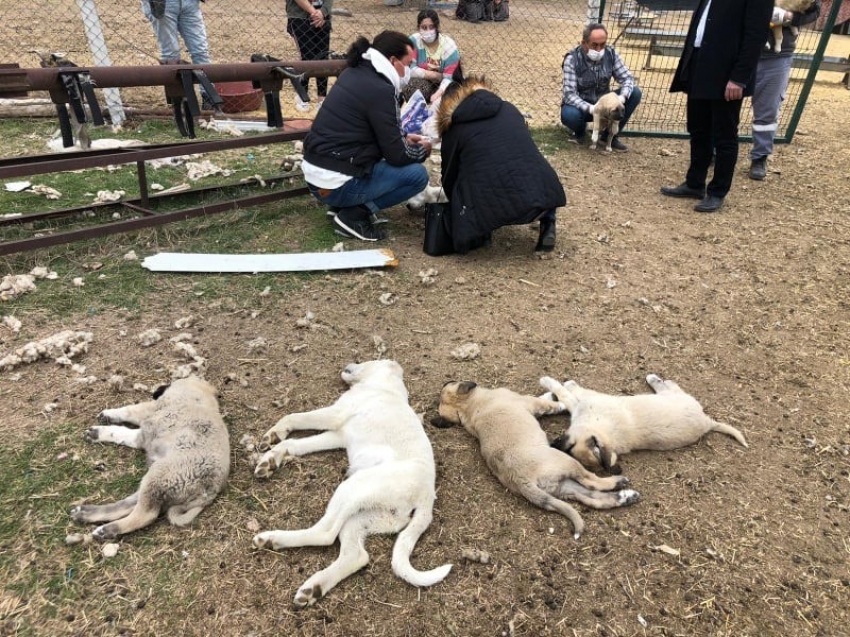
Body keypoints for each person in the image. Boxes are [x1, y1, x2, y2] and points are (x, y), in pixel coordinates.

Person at [301, 31, 432, 242]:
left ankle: (341, 207)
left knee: (387, 161)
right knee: (417, 175)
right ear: (392, 60)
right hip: (334, 184)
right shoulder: (381, 88)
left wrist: (404, 137)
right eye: (407, 64)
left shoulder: (355, 72)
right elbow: (397, 156)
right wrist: (422, 150)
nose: (409, 70)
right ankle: (354, 215)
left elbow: (368, 129)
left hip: (318, 177)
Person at [660, 0, 773, 213]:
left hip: (727, 73)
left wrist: (739, 78)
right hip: (700, 63)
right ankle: (694, 183)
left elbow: (755, 36)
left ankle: (717, 191)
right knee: (698, 128)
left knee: (724, 135)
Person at [435, 71, 567, 254]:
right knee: (525, 167)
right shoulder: (509, 109)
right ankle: (548, 223)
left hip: (489, 200)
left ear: (447, 105)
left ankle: (484, 230)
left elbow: (449, 174)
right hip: (541, 191)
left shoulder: (454, 126)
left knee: (473, 179)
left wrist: (456, 203)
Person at [749, 1, 821, 180]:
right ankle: (716, 149)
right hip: (737, 48)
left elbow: (813, 10)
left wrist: (790, 17)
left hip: (776, 55)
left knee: (768, 109)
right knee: (723, 103)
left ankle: (760, 156)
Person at [560, 23, 642, 153]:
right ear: (584, 43)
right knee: (570, 115)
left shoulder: (611, 54)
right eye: (594, 45)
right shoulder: (572, 59)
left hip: (606, 106)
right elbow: (569, 94)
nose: (599, 49)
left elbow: (627, 79)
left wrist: (621, 98)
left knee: (635, 93)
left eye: (602, 44)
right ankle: (580, 132)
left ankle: (609, 137)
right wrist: (591, 108)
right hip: (583, 107)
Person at [404, 10, 461, 104]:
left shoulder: (449, 46)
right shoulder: (413, 41)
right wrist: (434, 75)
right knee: (412, 89)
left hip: (446, 83)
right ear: (418, 28)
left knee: (453, 98)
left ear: (437, 27)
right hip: (423, 81)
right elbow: (409, 69)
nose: (428, 31)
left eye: (431, 27)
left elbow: (449, 77)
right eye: (424, 27)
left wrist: (438, 94)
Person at [286, 0, 334, 112]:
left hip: (323, 18)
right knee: (306, 56)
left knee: (323, 58)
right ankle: (302, 96)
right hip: (300, 17)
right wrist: (314, 13)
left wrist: (322, 12)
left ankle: (322, 99)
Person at [141, 0, 211, 66]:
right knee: (171, 55)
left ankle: (205, 78)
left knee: (201, 51)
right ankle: (173, 77)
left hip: (190, 3)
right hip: (162, 3)